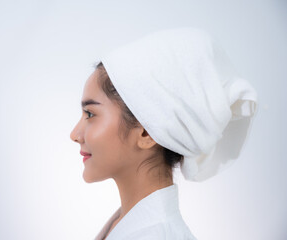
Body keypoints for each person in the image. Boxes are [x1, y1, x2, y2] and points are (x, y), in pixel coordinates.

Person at [70, 28, 258, 240]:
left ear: (146, 132)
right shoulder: (127, 222)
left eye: (90, 114)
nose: (74, 134)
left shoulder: (158, 234)